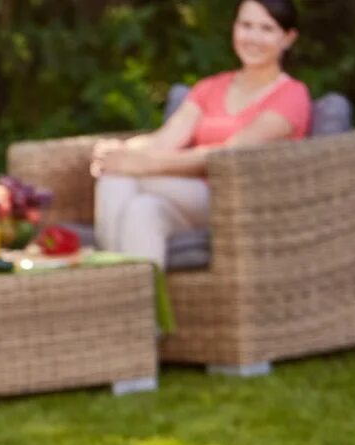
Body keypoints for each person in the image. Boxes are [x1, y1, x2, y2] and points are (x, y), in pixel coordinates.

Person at [92, 0, 310, 267]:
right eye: (246, 25)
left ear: (288, 38)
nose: (253, 37)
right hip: (190, 201)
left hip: (239, 202)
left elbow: (226, 157)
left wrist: (140, 163)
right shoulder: (210, 88)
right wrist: (121, 150)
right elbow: (165, 140)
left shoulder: (291, 96)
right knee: (142, 211)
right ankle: (138, 303)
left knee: (122, 173)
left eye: (266, 28)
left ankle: (110, 284)